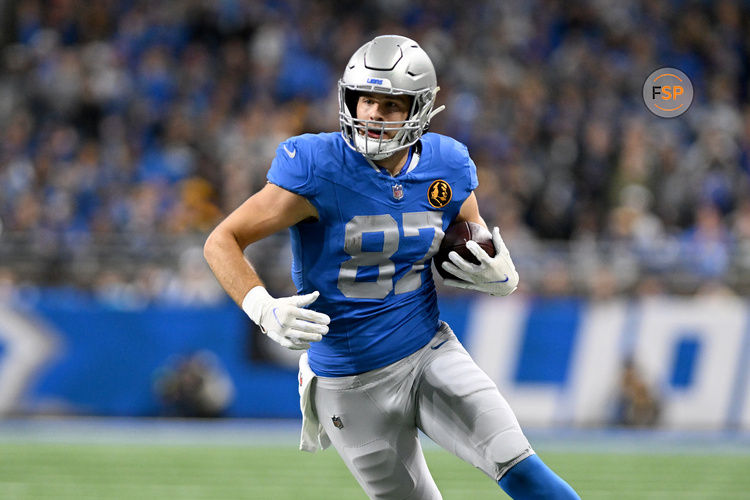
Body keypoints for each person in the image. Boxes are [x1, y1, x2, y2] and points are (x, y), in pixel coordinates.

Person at [204, 35, 579, 500]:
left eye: (390, 104)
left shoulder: (448, 164)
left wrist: (500, 275)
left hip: (428, 353)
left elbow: (472, 236)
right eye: (365, 100)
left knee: (519, 465)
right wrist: (261, 307)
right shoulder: (317, 166)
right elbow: (222, 240)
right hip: (349, 380)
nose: (373, 114)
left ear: (418, 109)